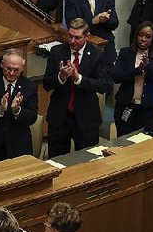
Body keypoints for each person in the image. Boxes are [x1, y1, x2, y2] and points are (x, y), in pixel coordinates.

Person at [43, 18, 112, 157]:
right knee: (57, 161)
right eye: (70, 36)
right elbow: (46, 84)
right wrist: (61, 77)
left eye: (77, 37)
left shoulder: (97, 54)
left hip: (86, 118)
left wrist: (78, 78)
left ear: (87, 36)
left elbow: (103, 86)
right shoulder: (57, 52)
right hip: (60, 117)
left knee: (86, 162)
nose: (72, 41)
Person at [0, 48, 38, 161]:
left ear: (22, 68)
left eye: (16, 70)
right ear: (2, 65)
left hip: (18, 147)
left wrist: (17, 110)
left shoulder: (30, 87)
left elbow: (32, 117)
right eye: (8, 69)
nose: (12, 73)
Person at [111, 21, 153, 137]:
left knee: (141, 143)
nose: (143, 39)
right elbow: (116, 77)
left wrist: (148, 66)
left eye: (148, 36)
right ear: (136, 36)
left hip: (146, 109)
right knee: (123, 141)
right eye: (141, 35)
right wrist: (137, 70)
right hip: (125, 106)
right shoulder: (126, 53)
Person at [63, 0, 119, 66]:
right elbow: (71, 24)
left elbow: (115, 23)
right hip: (83, 48)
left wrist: (105, 20)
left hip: (105, 48)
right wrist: (93, 21)